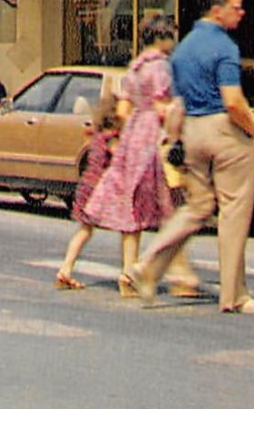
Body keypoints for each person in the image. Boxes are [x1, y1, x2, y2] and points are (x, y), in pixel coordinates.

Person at [128, 0, 254, 314]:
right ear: (217, 10)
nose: (241, 12)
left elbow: (177, 101)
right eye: (236, 6)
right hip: (224, 130)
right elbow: (233, 101)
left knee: (197, 207)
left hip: (192, 131)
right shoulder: (224, 47)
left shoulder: (184, 49)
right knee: (234, 212)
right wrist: (253, 131)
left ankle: (147, 263)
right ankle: (234, 295)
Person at [76, 15, 202, 299]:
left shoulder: (134, 69)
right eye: (172, 36)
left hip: (131, 141)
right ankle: (180, 277)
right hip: (154, 141)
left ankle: (127, 272)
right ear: (162, 38)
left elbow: (122, 111)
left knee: (131, 211)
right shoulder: (161, 68)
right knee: (170, 208)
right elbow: (162, 108)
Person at [55, 81, 121, 290]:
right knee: (126, 229)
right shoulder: (112, 139)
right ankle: (131, 270)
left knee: (84, 230)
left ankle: (66, 268)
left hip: (87, 187)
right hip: (98, 191)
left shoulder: (97, 137)